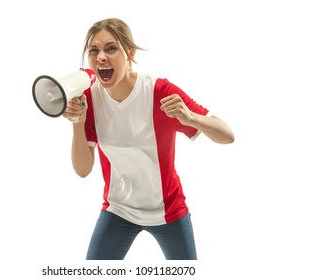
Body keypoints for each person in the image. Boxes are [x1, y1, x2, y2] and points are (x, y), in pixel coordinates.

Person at [63, 18, 234, 260]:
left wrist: (191, 118)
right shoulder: (89, 97)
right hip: (118, 209)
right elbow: (82, 170)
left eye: (110, 48)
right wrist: (77, 124)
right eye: (94, 51)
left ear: (130, 52)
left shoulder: (159, 92)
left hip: (168, 211)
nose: (100, 57)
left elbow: (228, 135)